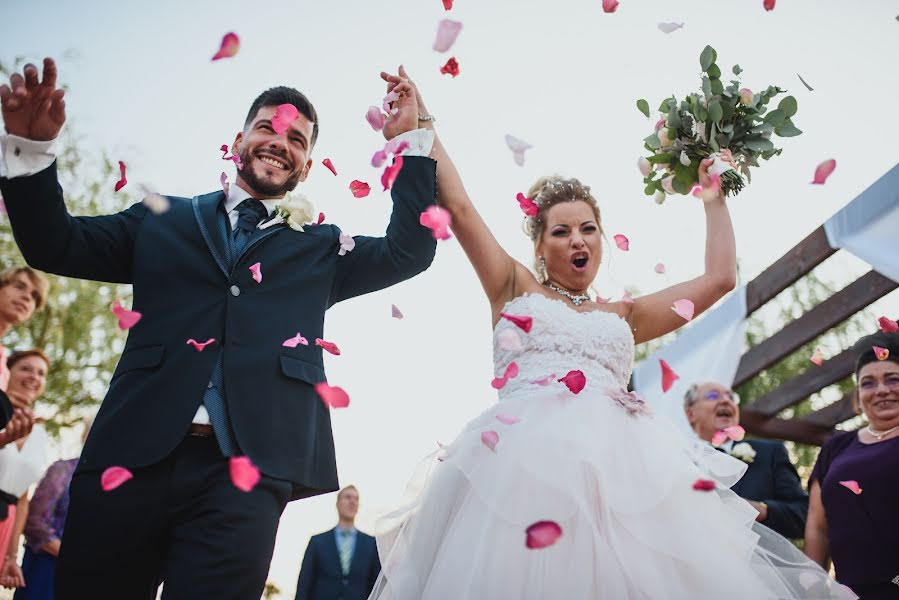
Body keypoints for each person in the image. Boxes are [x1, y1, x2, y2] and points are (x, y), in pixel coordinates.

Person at [366, 68, 854, 599]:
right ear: (541, 245)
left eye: (588, 228)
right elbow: (457, 206)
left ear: (601, 239)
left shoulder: (624, 314)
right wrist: (424, 124)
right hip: (521, 473)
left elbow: (719, 279)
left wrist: (713, 194)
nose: (578, 239)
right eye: (561, 230)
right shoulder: (512, 286)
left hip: (622, 480)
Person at [0, 58, 437, 599]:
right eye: (268, 128)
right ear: (239, 140)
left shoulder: (322, 249)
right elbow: (54, 243)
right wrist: (28, 153)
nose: (281, 142)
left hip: (247, 477)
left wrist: (411, 144)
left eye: (297, 139)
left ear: (307, 162)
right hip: (130, 456)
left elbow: (410, 251)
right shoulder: (161, 220)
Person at [805, 331, 899, 599]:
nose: (881, 389)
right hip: (849, 590)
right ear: (858, 397)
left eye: (893, 379)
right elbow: (817, 526)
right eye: (868, 383)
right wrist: (812, 590)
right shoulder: (836, 447)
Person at [684, 380, 808, 539]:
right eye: (713, 395)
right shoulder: (678, 461)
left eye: (731, 397)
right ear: (691, 414)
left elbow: (804, 516)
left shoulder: (770, 453)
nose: (725, 400)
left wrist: (762, 510)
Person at [11, 416, 91, 600]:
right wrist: (73, 559)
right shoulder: (63, 470)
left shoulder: (119, 483)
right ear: (85, 437)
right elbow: (35, 524)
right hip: (46, 568)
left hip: (85, 577)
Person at [0, 350, 51, 591]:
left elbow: (22, 499)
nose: (34, 377)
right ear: (7, 372)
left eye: (41, 373)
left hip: (5, 522)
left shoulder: (40, 435)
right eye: (26, 369)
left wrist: (11, 556)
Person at [295, 485, 380, 600]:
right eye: (348, 497)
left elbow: (376, 583)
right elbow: (305, 583)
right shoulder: (317, 542)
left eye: (356, 499)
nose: (352, 501)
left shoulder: (371, 543)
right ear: (338, 504)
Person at [0, 266, 47, 448]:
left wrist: (6, 439)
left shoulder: (4, 367)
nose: (28, 297)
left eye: (35, 296)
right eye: (19, 286)